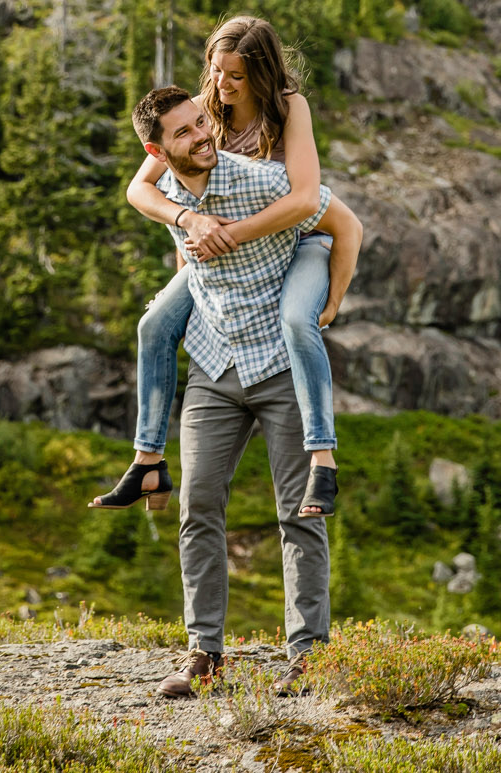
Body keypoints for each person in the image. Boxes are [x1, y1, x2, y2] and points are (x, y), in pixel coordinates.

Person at [121, 84, 363, 698]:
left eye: (203, 123)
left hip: (280, 364)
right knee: (197, 507)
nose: (202, 135)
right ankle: (205, 653)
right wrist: (184, 221)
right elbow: (142, 198)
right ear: (158, 149)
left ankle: (310, 656)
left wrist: (330, 301)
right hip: (212, 366)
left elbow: (341, 222)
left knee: (299, 513)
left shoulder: (262, 181)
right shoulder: (166, 197)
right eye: (184, 132)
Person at [92, 16, 350, 519]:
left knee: (298, 320)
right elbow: (139, 188)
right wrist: (189, 219)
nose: (221, 85)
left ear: (262, 73)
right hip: (218, 255)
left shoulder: (289, 109)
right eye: (215, 70)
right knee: (154, 325)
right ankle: (148, 460)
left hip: (294, 244)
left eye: (235, 75)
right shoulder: (202, 110)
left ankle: (324, 458)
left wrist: (227, 235)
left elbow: (304, 202)